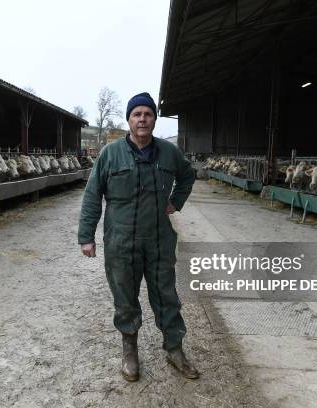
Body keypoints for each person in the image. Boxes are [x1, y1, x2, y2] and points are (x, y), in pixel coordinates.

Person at [77, 92, 198, 381]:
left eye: (148, 114)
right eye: (137, 114)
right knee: (126, 299)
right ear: (129, 119)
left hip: (158, 240)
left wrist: (176, 201)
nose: (142, 119)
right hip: (121, 242)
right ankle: (130, 350)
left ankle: (174, 349)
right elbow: (92, 195)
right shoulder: (110, 154)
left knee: (166, 296)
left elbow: (188, 175)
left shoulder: (169, 153)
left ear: (154, 119)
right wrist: (86, 236)